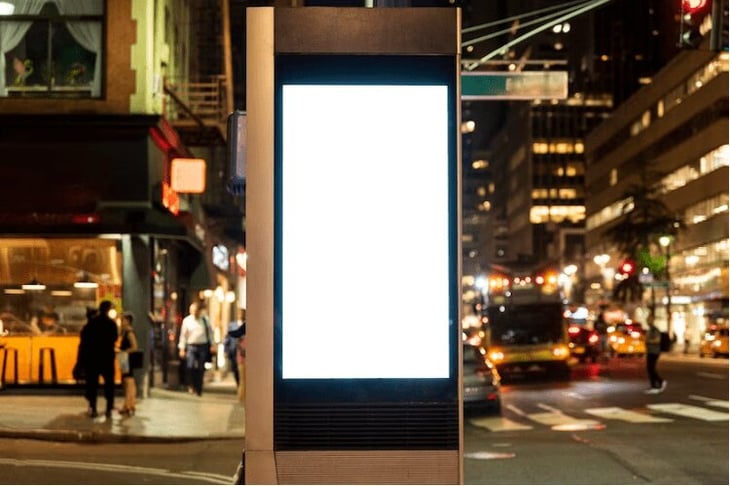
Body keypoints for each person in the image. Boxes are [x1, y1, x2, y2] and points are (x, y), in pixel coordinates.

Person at [79, 300, 118, 418]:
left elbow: (84, 341)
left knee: (92, 384)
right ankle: (108, 408)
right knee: (109, 384)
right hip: (107, 358)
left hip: (93, 359)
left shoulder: (91, 324)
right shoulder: (111, 324)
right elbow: (114, 338)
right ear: (108, 310)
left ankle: (93, 407)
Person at [178, 301, 214, 396]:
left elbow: (210, 333)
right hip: (191, 346)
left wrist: (213, 345)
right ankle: (191, 385)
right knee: (190, 366)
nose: (195, 312)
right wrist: (182, 348)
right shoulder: (187, 321)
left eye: (196, 310)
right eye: (193, 311)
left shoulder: (205, 320)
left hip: (202, 346)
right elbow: (183, 336)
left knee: (201, 368)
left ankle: (199, 388)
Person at [117, 312, 138, 416]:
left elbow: (134, 347)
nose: (121, 322)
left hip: (127, 360)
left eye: (123, 320)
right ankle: (128, 404)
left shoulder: (129, 332)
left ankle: (129, 405)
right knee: (128, 383)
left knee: (129, 383)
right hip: (125, 359)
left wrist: (125, 352)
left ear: (128, 321)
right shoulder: (125, 332)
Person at [644, 315, 666, 394]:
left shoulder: (654, 330)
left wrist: (648, 341)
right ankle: (656, 384)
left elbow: (657, 340)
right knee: (649, 369)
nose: (647, 321)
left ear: (652, 320)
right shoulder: (650, 329)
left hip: (654, 352)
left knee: (651, 368)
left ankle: (657, 384)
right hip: (650, 351)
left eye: (649, 320)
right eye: (647, 320)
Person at [227, 314, 246, 403]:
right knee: (241, 378)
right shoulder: (233, 325)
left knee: (243, 379)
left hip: (243, 357)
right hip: (240, 356)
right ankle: (242, 398)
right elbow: (230, 337)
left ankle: (243, 398)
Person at [225, 309, 245, 386]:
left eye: (243, 313)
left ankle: (241, 386)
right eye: (239, 313)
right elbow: (227, 338)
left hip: (242, 352)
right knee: (235, 369)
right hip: (233, 350)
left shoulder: (247, 323)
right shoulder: (232, 325)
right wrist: (226, 350)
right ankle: (238, 384)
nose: (241, 315)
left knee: (241, 369)